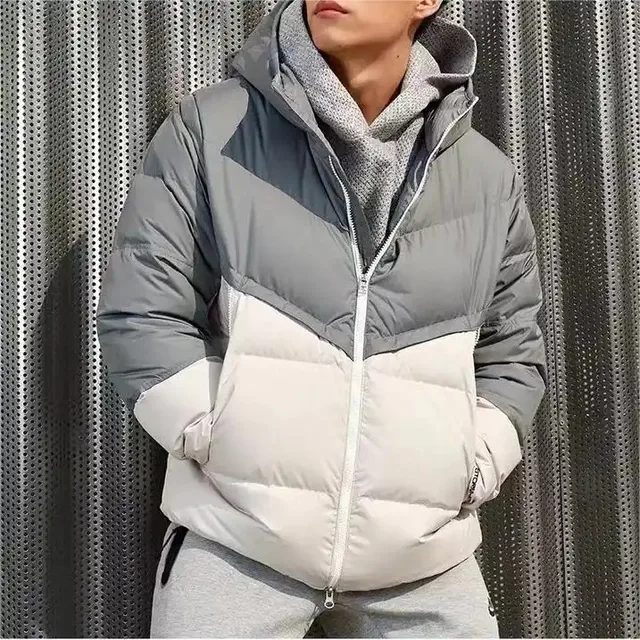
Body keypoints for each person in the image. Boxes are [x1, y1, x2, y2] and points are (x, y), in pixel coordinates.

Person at [96, 0, 547, 636]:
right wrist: (223, 438)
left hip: (425, 563)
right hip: (238, 545)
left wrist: (468, 471)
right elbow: (141, 313)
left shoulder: (486, 179)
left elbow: (512, 355)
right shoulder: (212, 130)